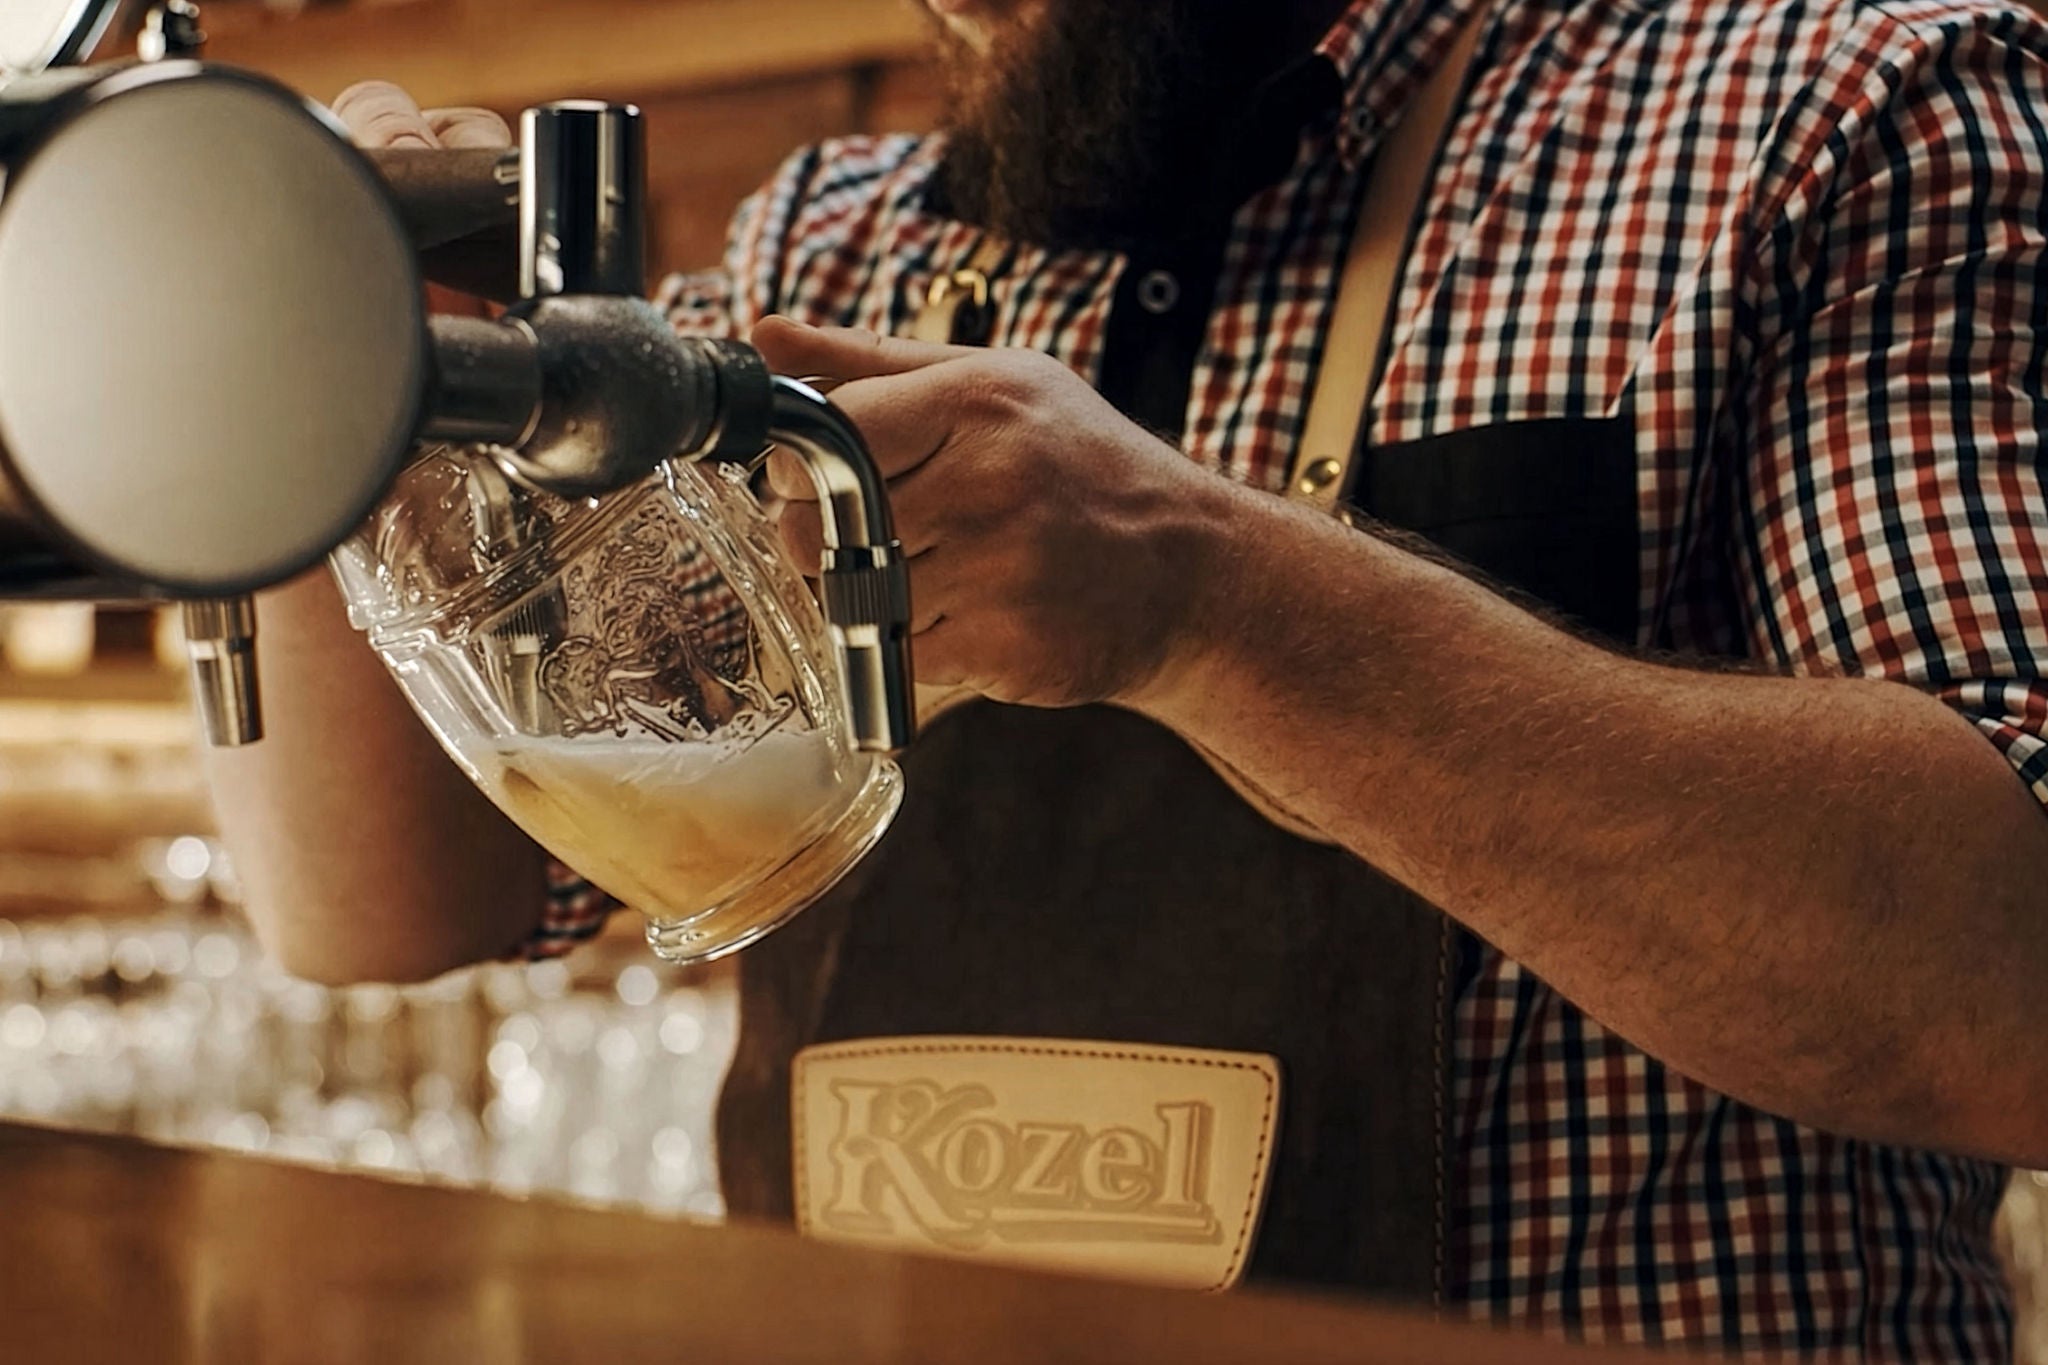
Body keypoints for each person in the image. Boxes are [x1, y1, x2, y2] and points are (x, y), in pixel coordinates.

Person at [209, 0, 2048, 1356]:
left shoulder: (1821, 112)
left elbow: (2012, 995)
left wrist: (1216, 599)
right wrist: (340, 412)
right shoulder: (831, 237)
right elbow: (382, 907)